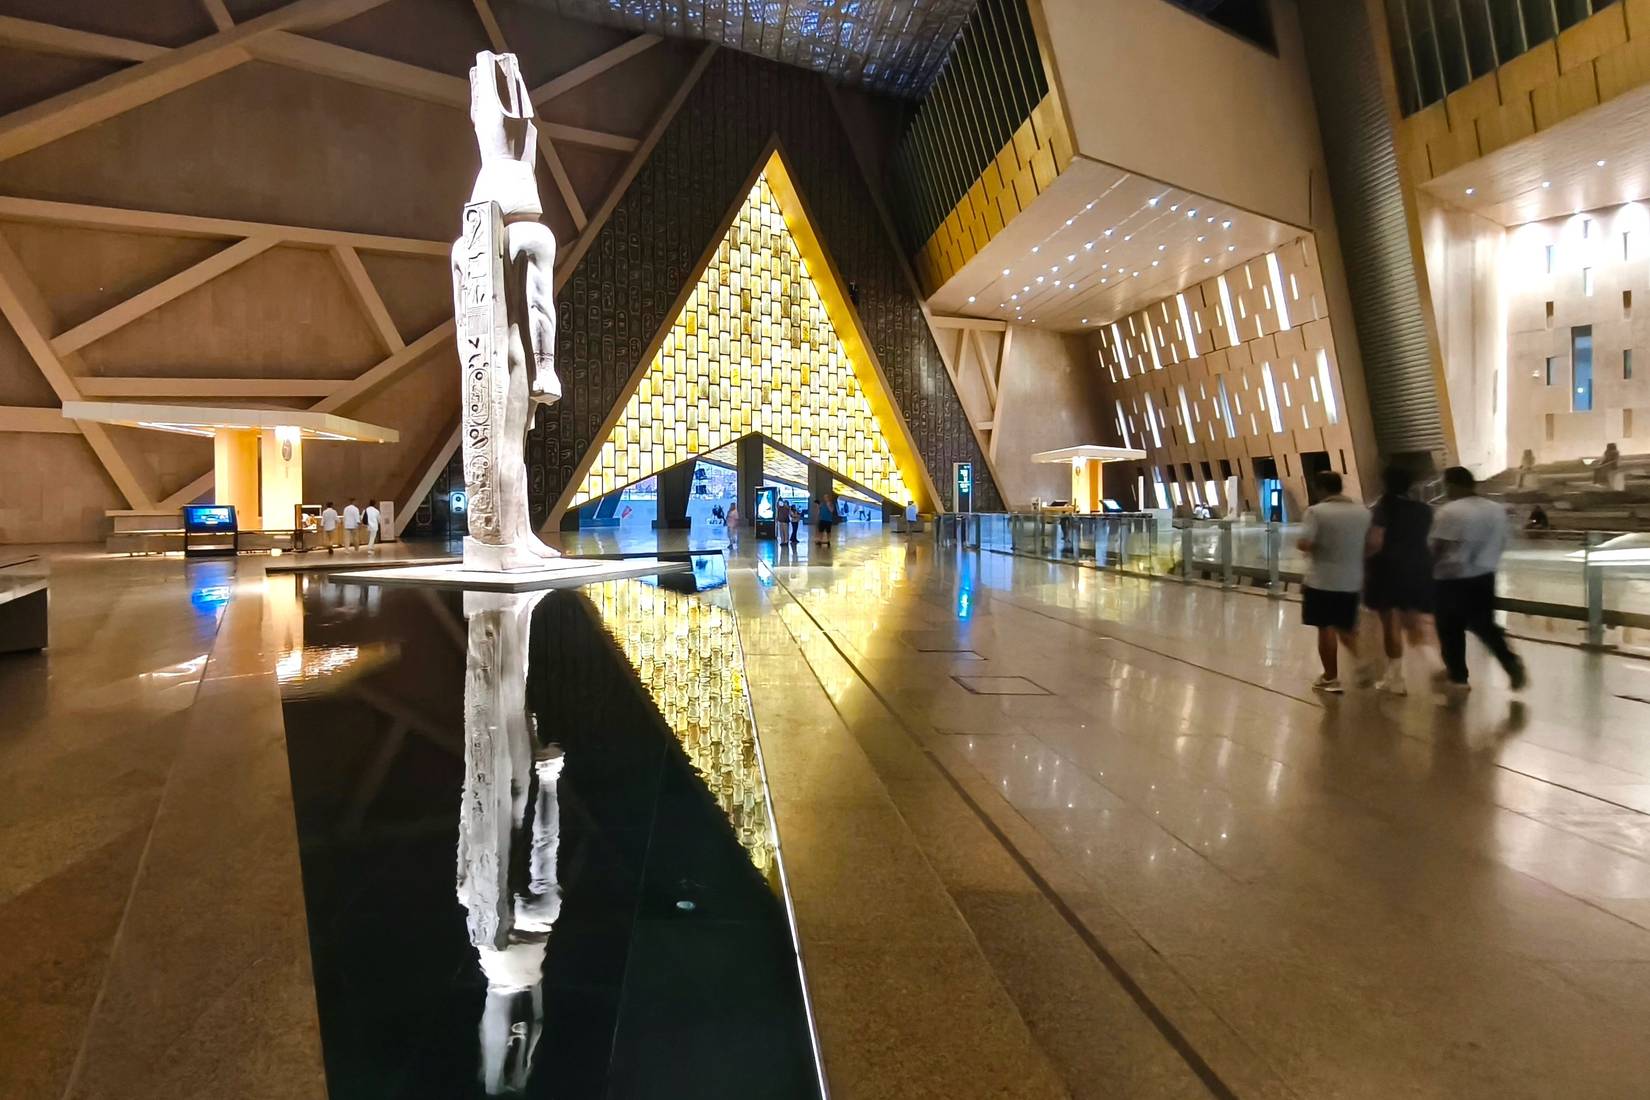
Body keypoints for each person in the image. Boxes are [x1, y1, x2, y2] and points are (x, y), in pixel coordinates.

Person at [1431, 466, 1526, 699]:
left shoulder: (1450, 511)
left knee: (1450, 628)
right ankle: (1510, 663)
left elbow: (1440, 546)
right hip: (1485, 576)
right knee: (1485, 626)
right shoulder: (1495, 510)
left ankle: (1458, 677)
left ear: (1452, 485)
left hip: (1451, 579)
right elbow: (1504, 540)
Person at [1297, 470, 1371, 693]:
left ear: (1320, 489)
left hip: (1322, 580)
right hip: (1353, 580)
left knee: (1326, 628)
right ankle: (1360, 661)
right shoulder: (1362, 512)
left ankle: (1330, 677)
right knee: (1345, 625)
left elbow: (1305, 543)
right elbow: (1370, 544)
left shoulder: (1316, 512)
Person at [1363, 466, 1433, 695]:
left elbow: (1375, 542)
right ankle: (1436, 666)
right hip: (1419, 570)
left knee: (1390, 623)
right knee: (1413, 622)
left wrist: (1362, 559)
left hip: (1388, 572)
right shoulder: (1424, 510)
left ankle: (1396, 677)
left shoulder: (1381, 510)